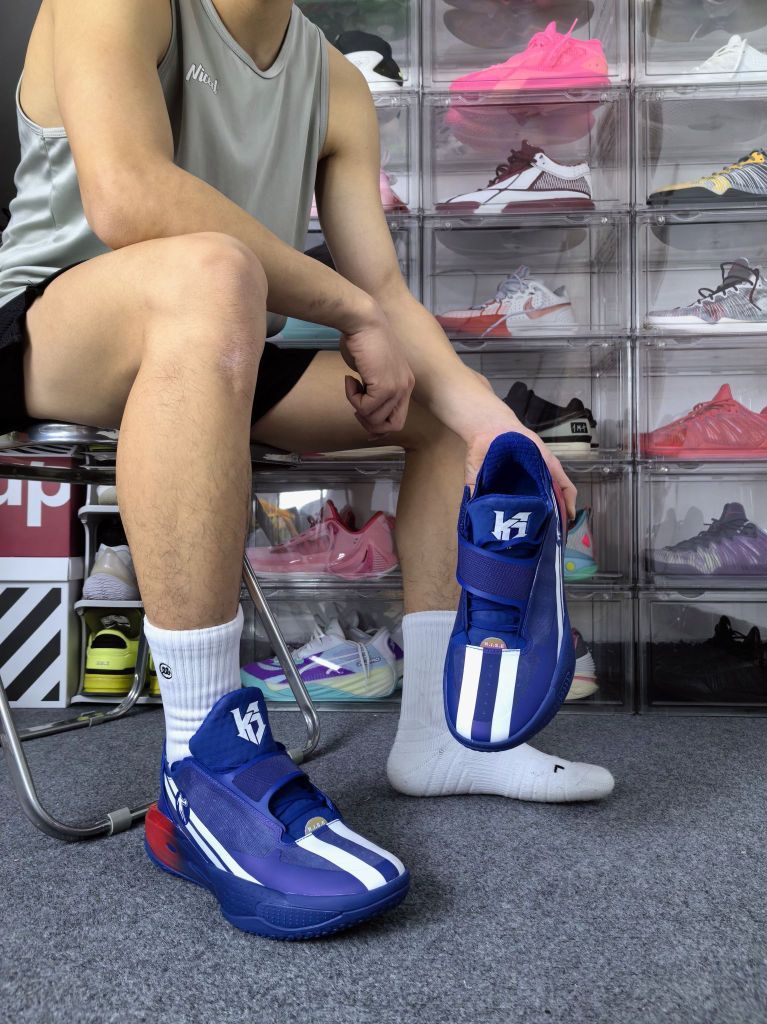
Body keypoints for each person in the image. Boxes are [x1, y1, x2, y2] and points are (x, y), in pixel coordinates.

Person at [0, 0, 614, 937]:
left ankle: (441, 739)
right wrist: (350, 310)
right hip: (52, 329)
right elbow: (127, 197)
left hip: (222, 335)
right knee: (211, 271)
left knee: (440, 414)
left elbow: (383, 287)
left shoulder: (331, 78)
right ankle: (201, 761)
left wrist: (487, 415)